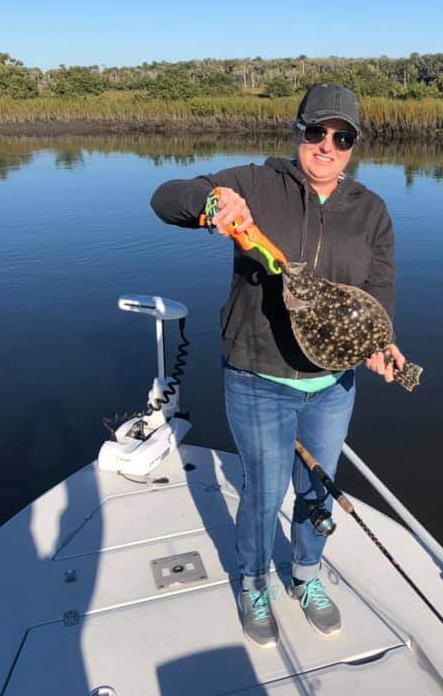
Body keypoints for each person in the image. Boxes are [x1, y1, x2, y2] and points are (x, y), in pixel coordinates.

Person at [150, 84, 404, 647]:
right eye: (316, 132)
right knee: (264, 493)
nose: (326, 146)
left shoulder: (371, 212)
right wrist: (212, 203)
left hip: (334, 385)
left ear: (354, 146)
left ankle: (307, 575)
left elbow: (378, 289)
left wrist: (379, 340)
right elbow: (166, 197)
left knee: (317, 490)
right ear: (297, 132)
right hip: (259, 379)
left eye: (342, 138)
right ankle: (254, 583)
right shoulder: (257, 184)